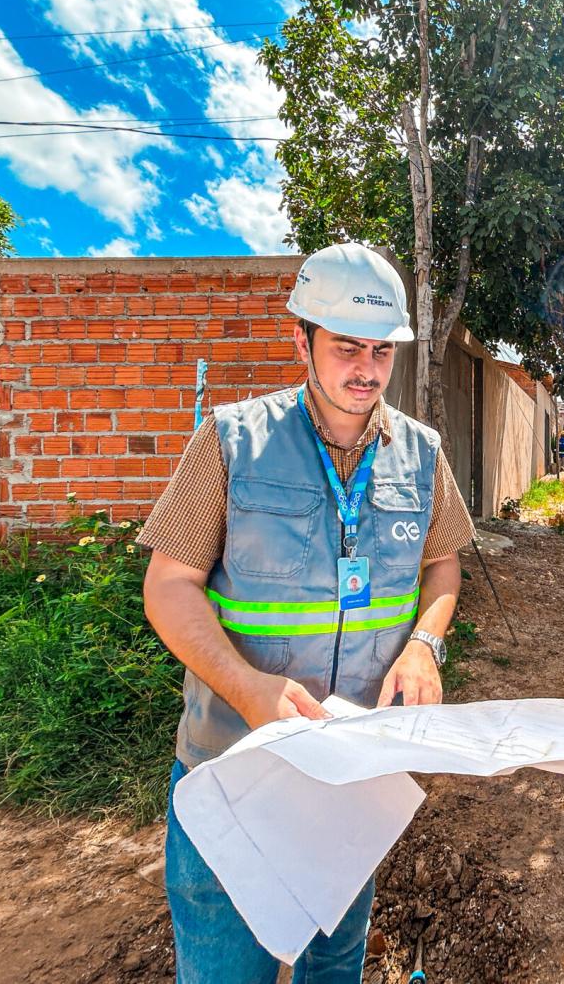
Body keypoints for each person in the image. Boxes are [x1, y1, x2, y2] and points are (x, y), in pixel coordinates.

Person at [138, 243, 475, 984]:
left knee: (335, 960)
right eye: (346, 346)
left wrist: (424, 642)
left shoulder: (422, 455)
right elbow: (167, 586)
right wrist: (247, 687)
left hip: (350, 773)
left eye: (382, 351)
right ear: (301, 339)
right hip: (233, 771)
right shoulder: (231, 442)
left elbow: (442, 561)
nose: (367, 368)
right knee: (230, 968)